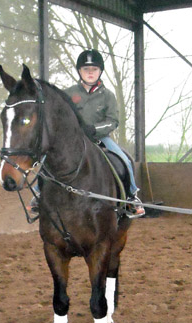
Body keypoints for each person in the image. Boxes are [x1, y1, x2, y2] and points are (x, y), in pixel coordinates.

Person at [28, 49, 145, 218]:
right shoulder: (68, 93)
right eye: (86, 69)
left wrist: (95, 129)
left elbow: (113, 121)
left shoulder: (108, 96)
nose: (90, 73)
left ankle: (131, 197)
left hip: (100, 138)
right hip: (71, 140)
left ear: (100, 72)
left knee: (124, 159)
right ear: (79, 71)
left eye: (94, 70)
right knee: (47, 159)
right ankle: (39, 195)